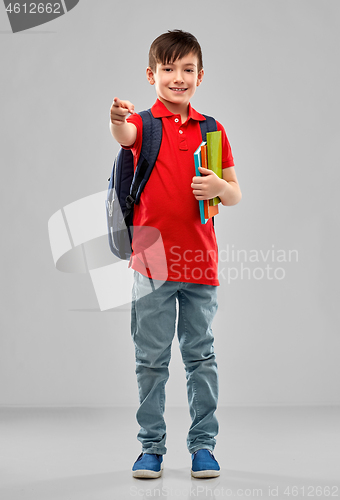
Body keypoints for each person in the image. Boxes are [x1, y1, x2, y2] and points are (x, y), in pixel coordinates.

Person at [109, 30, 242, 479]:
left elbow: (236, 193)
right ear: (152, 75)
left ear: (200, 76)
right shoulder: (143, 126)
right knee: (151, 361)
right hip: (151, 265)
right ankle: (151, 448)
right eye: (168, 69)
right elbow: (122, 133)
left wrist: (220, 188)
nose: (178, 78)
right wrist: (116, 119)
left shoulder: (213, 129)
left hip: (200, 263)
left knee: (200, 358)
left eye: (187, 69)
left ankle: (204, 446)